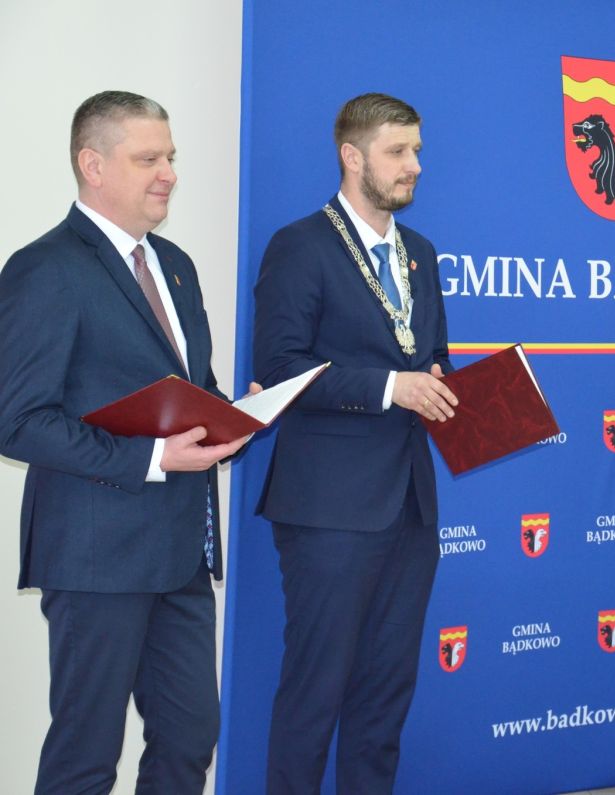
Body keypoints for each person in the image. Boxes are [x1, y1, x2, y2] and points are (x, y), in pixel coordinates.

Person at [0, 91, 250, 794]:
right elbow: (17, 421)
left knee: (190, 738)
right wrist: (152, 458)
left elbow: (195, 390)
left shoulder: (176, 265)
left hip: (181, 555)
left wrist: (238, 418)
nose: (169, 173)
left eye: (171, 156)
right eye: (148, 159)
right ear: (93, 165)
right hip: (95, 558)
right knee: (86, 758)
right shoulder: (45, 268)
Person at [253, 92, 458, 793]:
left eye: (417, 150)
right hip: (328, 510)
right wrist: (391, 387)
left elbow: (432, 355)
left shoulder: (420, 254)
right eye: (398, 151)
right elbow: (280, 368)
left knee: (384, 697)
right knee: (315, 693)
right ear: (351, 156)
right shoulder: (301, 245)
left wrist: (440, 384)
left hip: (410, 507)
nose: (414, 165)